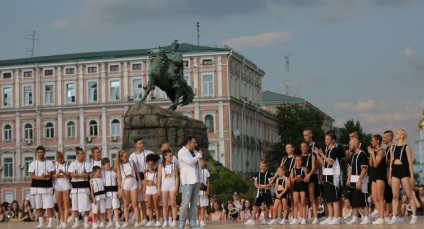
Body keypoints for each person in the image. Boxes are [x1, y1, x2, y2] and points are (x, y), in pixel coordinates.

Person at [388, 129, 418, 224]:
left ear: (402, 136)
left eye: (397, 133)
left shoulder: (406, 147)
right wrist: (390, 176)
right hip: (395, 171)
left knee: (409, 194)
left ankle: (414, 215)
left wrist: (412, 176)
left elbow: (410, 162)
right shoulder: (392, 148)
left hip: (404, 170)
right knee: (395, 195)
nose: (395, 135)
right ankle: (394, 216)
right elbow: (391, 163)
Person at [314, 132, 341, 225]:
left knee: (334, 198)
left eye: (328, 139)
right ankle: (330, 216)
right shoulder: (327, 150)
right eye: (325, 139)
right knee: (328, 198)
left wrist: (322, 154)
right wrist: (318, 155)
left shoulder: (335, 149)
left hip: (333, 176)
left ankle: (336, 217)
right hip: (327, 175)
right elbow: (324, 163)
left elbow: (330, 162)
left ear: (333, 140)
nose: (325, 141)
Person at [177, 136, 203, 229]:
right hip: (187, 181)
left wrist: (201, 180)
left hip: (196, 181)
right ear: (189, 143)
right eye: (194, 142)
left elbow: (198, 168)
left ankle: (193, 223)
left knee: (194, 204)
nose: (196, 144)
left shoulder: (195, 152)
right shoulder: (182, 152)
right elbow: (190, 162)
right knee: (185, 204)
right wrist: (199, 155)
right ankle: (181, 224)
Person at [128, 137, 154, 226]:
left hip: (146, 177)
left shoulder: (148, 153)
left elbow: (156, 160)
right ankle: (142, 218)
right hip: (136, 179)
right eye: (139, 143)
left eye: (142, 143)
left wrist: (150, 169)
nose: (142, 144)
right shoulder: (132, 156)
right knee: (140, 200)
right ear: (135, 145)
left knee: (146, 199)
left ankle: (147, 218)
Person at [29, 145, 55, 229]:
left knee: (49, 207)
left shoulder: (49, 162)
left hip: (47, 187)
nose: (40, 154)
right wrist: (39, 177)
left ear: (44, 153)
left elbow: (51, 174)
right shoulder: (33, 163)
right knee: (39, 207)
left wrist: (45, 176)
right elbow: (32, 176)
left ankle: (50, 223)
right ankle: (41, 223)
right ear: (36, 153)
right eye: (39, 152)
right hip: (36, 187)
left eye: (42, 152)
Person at [346, 138, 371, 225]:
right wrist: (349, 178)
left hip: (361, 180)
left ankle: (367, 217)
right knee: (354, 200)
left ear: (355, 144)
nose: (349, 146)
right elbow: (349, 167)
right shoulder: (352, 155)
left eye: (350, 144)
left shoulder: (362, 154)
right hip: (353, 179)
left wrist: (360, 180)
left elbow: (364, 168)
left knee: (363, 199)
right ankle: (355, 217)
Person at [116, 150, 143, 227]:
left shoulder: (131, 162)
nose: (127, 157)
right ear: (121, 158)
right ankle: (127, 222)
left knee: (135, 203)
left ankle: (137, 221)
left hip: (133, 183)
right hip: (125, 184)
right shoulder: (119, 165)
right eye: (125, 156)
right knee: (126, 204)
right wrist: (119, 188)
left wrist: (140, 183)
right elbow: (119, 177)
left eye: (127, 156)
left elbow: (137, 173)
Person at [68, 147, 92, 229]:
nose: (83, 155)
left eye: (84, 154)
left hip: (84, 187)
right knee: (75, 206)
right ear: (77, 155)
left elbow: (87, 175)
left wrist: (77, 175)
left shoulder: (87, 163)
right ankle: (77, 222)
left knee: (86, 205)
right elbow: (72, 175)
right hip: (75, 188)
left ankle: (86, 222)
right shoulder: (73, 163)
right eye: (81, 154)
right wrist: (82, 175)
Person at [244, 159, 273, 225]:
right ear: (259, 166)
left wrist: (264, 186)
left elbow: (271, 184)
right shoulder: (257, 174)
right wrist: (258, 186)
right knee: (256, 205)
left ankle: (265, 219)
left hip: (267, 191)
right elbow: (255, 183)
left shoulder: (268, 174)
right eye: (262, 166)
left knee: (268, 206)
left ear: (266, 166)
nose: (263, 167)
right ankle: (253, 219)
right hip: (259, 192)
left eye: (264, 166)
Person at [158, 148, 179, 227]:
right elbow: (159, 178)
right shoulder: (161, 166)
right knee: (165, 204)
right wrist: (158, 188)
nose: (171, 157)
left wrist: (176, 187)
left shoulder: (174, 165)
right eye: (170, 156)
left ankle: (174, 220)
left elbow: (177, 177)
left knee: (173, 203)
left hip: (172, 184)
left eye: (172, 156)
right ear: (165, 156)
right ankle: (165, 221)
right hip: (164, 185)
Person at [368, 134, 386, 224]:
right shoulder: (374, 151)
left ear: (377, 141)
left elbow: (376, 164)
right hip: (374, 175)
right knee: (374, 197)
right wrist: (371, 154)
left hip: (380, 175)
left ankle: (382, 217)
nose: (371, 142)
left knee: (380, 197)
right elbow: (371, 164)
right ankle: (380, 215)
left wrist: (372, 153)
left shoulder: (381, 151)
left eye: (372, 140)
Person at [300, 141, 319, 224]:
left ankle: (315, 217)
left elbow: (314, 168)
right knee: (302, 199)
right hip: (301, 180)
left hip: (310, 178)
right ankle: (303, 217)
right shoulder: (298, 157)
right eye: (302, 147)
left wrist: (308, 175)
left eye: (305, 147)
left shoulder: (312, 156)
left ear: (308, 147)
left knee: (312, 198)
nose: (303, 149)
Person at [53, 151, 71, 229]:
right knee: (60, 206)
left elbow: (68, 176)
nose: (59, 161)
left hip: (66, 186)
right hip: (57, 186)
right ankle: (61, 221)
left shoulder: (67, 164)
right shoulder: (55, 165)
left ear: (63, 158)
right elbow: (53, 176)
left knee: (66, 205)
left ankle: (65, 222)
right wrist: (57, 175)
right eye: (57, 159)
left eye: (60, 159)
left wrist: (62, 172)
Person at [101, 157, 121, 228]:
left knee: (115, 207)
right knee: (108, 208)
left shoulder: (113, 172)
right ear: (103, 165)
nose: (108, 166)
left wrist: (119, 189)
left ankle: (117, 222)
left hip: (114, 192)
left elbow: (117, 179)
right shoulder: (101, 173)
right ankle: (110, 221)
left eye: (109, 164)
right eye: (106, 164)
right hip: (106, 193)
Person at [143, 153, 161, 227]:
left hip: (154, 189)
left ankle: (157, 220)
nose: (150, 166)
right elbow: (145, 184)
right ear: (147, 164)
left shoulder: (156, 173)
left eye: (152, 164)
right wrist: (144, 193)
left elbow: (157, 183)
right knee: (149, 206)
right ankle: (150, 220)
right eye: (149, 164)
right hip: (148, 190)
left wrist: (157, 192)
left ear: (154, 165)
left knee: (156, 206)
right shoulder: (146, 174)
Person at [290, 155, 308, 225]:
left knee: (303, 202)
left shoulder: (304, 169)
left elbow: (307, 179)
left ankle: (303, 217)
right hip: (296, 187)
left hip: (302, 186)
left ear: (302, 161)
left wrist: (302, 179)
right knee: (295, 202)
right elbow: (291, 179)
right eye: (296, 160)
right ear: (294, 161)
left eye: (299, 160)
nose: (298, 162)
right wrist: (296, 178)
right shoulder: (293, 169)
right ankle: (295, 218)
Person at [382, 130, 394, 221]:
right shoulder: (386, 149)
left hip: (392, 174)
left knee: (392, 194)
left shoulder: (393, 148)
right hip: (386, 173)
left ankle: (393, 214)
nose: (383, 139)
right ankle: (388, 214)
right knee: (387, 194)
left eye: (384, 137)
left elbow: (392, 160)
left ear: (390, 138)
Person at [197, 156, 210, 227]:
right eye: (202, 161)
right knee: (196, 206)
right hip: (196, 189)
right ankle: (196, 220)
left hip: (203, 189)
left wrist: (207, 190)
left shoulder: (206, 171)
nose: (204, 163)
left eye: (204, 161)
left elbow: (208, 182)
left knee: (203, 206)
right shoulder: (195, 170)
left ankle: (202, 220)